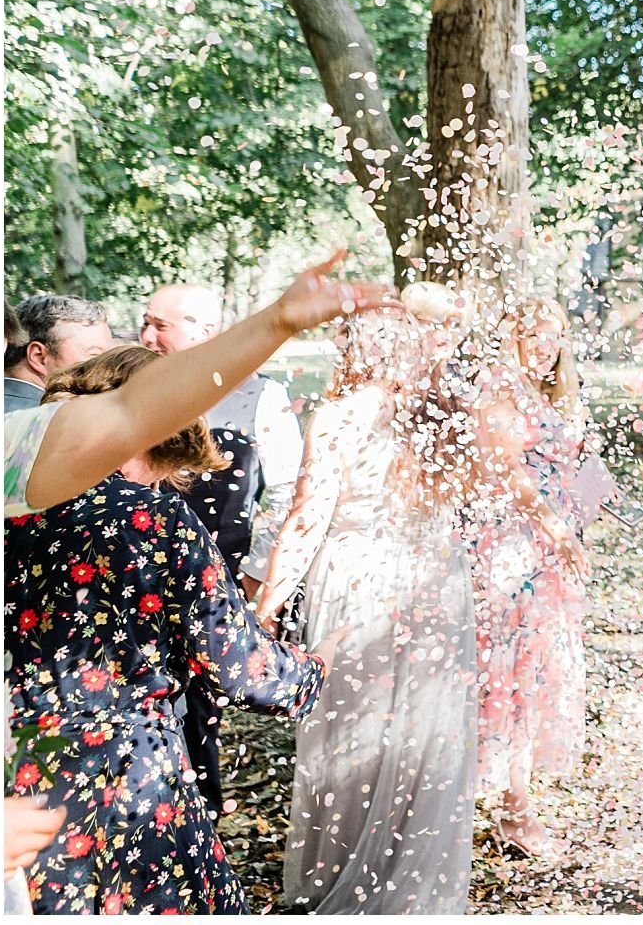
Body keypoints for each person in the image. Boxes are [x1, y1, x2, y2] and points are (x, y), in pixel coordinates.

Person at [0, 251, 388, 901]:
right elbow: (238, 664)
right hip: (125, 781)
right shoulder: (151, 515)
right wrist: (317, 666)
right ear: (155, 438)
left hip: (15, 771)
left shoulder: (12, 486)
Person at [254, 308, 479, 912]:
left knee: (353, 730)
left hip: (359, 583)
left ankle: (346, 875)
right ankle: (415, 878)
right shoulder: (445, 414)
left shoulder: (336, 415)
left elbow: (306, 519)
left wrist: (265, 605)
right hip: (435, 580)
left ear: (352, 346)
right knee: (422, 730)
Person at [138, 282, 306, 815]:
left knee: (201, 714)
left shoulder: (263, 396)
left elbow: (285, 491)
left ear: (204, 331)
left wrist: (256, 577)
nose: (146, 335)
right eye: (145, 322)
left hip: (216, 580)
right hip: (134, 580)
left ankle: (199, 824)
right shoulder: (129, 388)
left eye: (160, 325)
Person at [466, 297, 592, 857]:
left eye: (555, 337)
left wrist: (589, 508)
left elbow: (572, 465)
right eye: (535, 336)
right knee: (512, 670)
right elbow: (508, 470)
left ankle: (515, 797)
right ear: (510, 337)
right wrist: (556, 530)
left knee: (538, 669)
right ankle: (512, 807)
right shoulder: (499, 390)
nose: (547, 348)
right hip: (512, 549)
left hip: (553, 549)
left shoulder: (552, 393)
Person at [4, 294, 113, 413]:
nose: (110, 370)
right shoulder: (54, 421)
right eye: (95, 356)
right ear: (39, 357)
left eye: (110, 358)